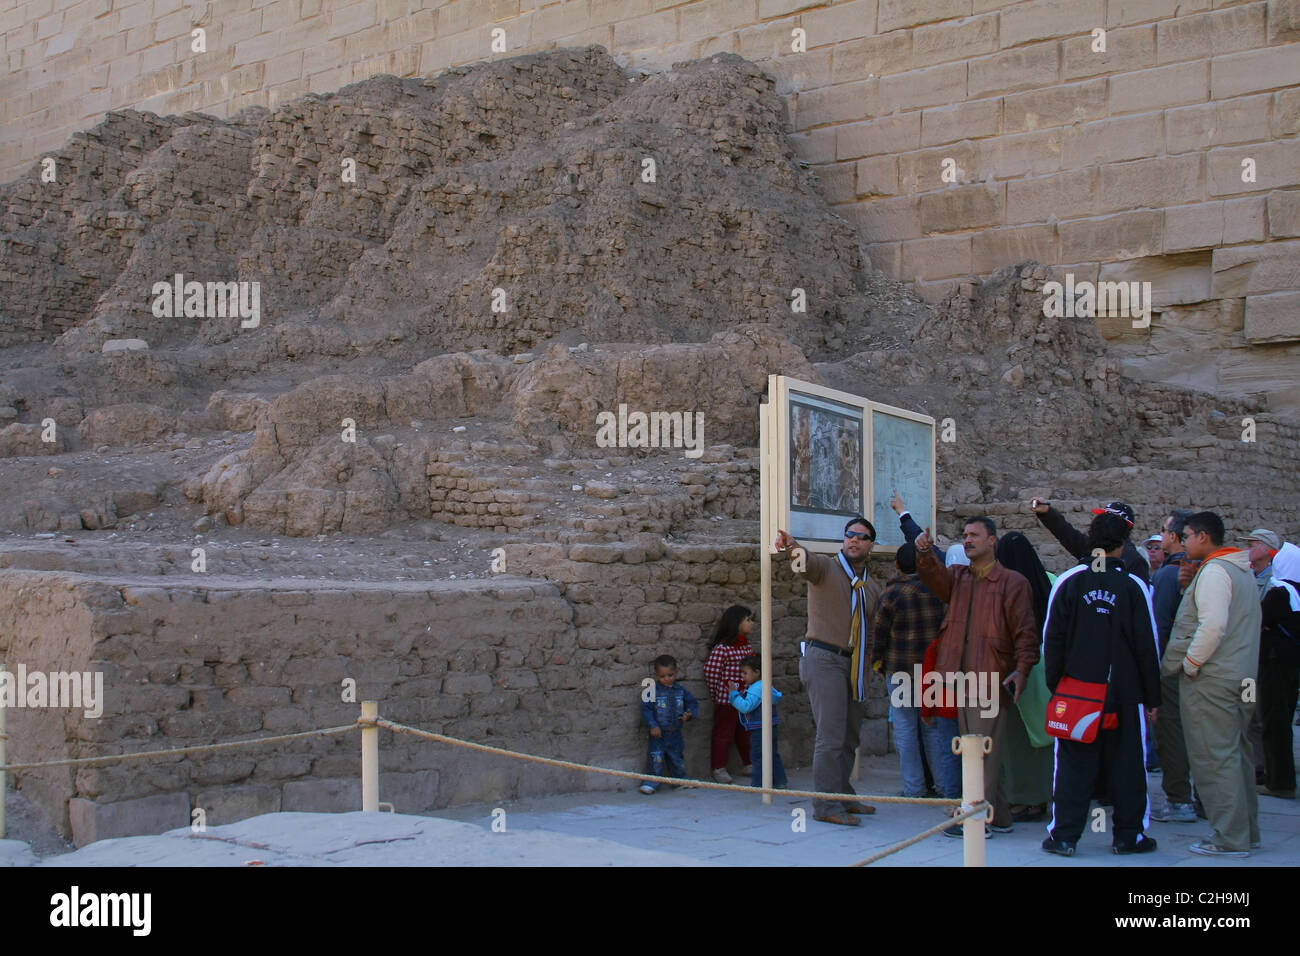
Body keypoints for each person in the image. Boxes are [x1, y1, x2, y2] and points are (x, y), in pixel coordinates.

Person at [1041, 512, 1162, 857]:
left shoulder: (1069, 581)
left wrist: (1058, 687)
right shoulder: (1134, 586)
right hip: (1124, 694)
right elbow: (1147, 645)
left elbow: (1053, 641)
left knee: (1073, 766)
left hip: (1077, 690)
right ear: (1123, 544)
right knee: (1128, 766)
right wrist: (1152, 697)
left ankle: (1064, 836)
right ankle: (1129, 836)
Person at [915, 516, 1038, 837]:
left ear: (992, 541)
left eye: (974, 535)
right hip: (959, 678)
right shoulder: (959, 578)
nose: (967, 540)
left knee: (982, 753)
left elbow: (1026, 632)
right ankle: (998, 817)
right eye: (965, 535)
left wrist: (1022, 669)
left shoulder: (1013, 583)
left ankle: (975, 820)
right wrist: (926, 554)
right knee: (979, 750)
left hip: (990, 677)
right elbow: (932, 579)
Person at [1162, 512, 1261, 857]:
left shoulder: (1216, 571)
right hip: (1241, 675)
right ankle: (1246, 832)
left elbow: (1213, 625)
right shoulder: (1239, 570)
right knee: (1237, 756)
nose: (1182, 541)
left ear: (1203, 537)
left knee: (1214, 758)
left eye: (1186, 535)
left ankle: (1229, 839)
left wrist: (1190, 664)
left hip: (1214, 679)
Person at [775, 516, 882, 826]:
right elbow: (805, 563)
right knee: (830, 735)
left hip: (856, 663)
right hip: (824, 658)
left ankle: (843, 795)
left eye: (861, 537)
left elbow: (873, 629)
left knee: (850, 737)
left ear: (870, 545)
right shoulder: (827, 568)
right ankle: (825, 805)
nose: (854, 540)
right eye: (850, 535)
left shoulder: (871, 587)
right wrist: (792, 547)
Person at [869, 542, 951, 799]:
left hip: (900, 668)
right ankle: (943, 785)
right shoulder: (938, 591)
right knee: (932, 727)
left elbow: (879, 634)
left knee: (904, 727)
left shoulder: (892, 594)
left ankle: (914, 787)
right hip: (931, 669)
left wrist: (877, 662)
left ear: (896, 565)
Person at [993, 532, 1056, 823]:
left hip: (1019, 668)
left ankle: (1022, 799)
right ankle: (1043, 796)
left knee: (1017, 739)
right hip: (1049, 670)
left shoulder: (1007, 586)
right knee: (1044, 737)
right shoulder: (1052, 580)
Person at [1150, 508, 1197, 819]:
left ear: (1176, 537)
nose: (1162, 536)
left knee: (1170, 734)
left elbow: (1159, 627)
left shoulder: (1168, 575)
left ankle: (1179, 799)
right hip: (1197, 666)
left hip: (1170, 668)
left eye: (1166, 531)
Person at [1258, 543, 1300, 800]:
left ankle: (1279, 782)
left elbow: (1259, 621)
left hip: (1273, 665)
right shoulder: (1296, 593)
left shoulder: (1280, 592)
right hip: (1291, 667)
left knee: (1274, 723)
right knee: (1282, 721)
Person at [1031, 499, 1150, 584]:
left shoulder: (1135, 561)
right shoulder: (1095, 549)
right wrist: (1047, 513)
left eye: (1107, 519)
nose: (1100, 522)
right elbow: (1067, 533)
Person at [704, 605, 754, 784]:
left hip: (746, 699)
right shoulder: (723, 648)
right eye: (747, 620)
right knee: (723, 734)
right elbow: (711, 672)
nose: (751, 623)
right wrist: (717, 693)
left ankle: (748, 763)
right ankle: (719, 767)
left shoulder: (746, 647)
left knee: (746, 732)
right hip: (727, 700)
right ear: (736, 623)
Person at [639, 655, 698, 795]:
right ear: (656, 675)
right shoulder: (651, 691)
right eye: (663, 676)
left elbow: (692, 703)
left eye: (670, 675)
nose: (667, 679)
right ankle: (651, 783)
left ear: (676, 672)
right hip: (658, 734)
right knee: (655, 758)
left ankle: (679, 781)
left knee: (676, 758)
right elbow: (646, 710)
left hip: (675, 732)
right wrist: (652, 725)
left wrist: (689, 714)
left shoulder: (681, 690)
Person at [728, 655, 789, 789]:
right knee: (772, 754)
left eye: (745, 673)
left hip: (760, 728)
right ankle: (779, 781)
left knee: (758, 756)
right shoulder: (766, 685)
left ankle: (758, 784)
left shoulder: (757, 688)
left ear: (757, 672)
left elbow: (745, 707)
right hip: (771, 726)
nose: (742, 676)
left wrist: (733, 695)